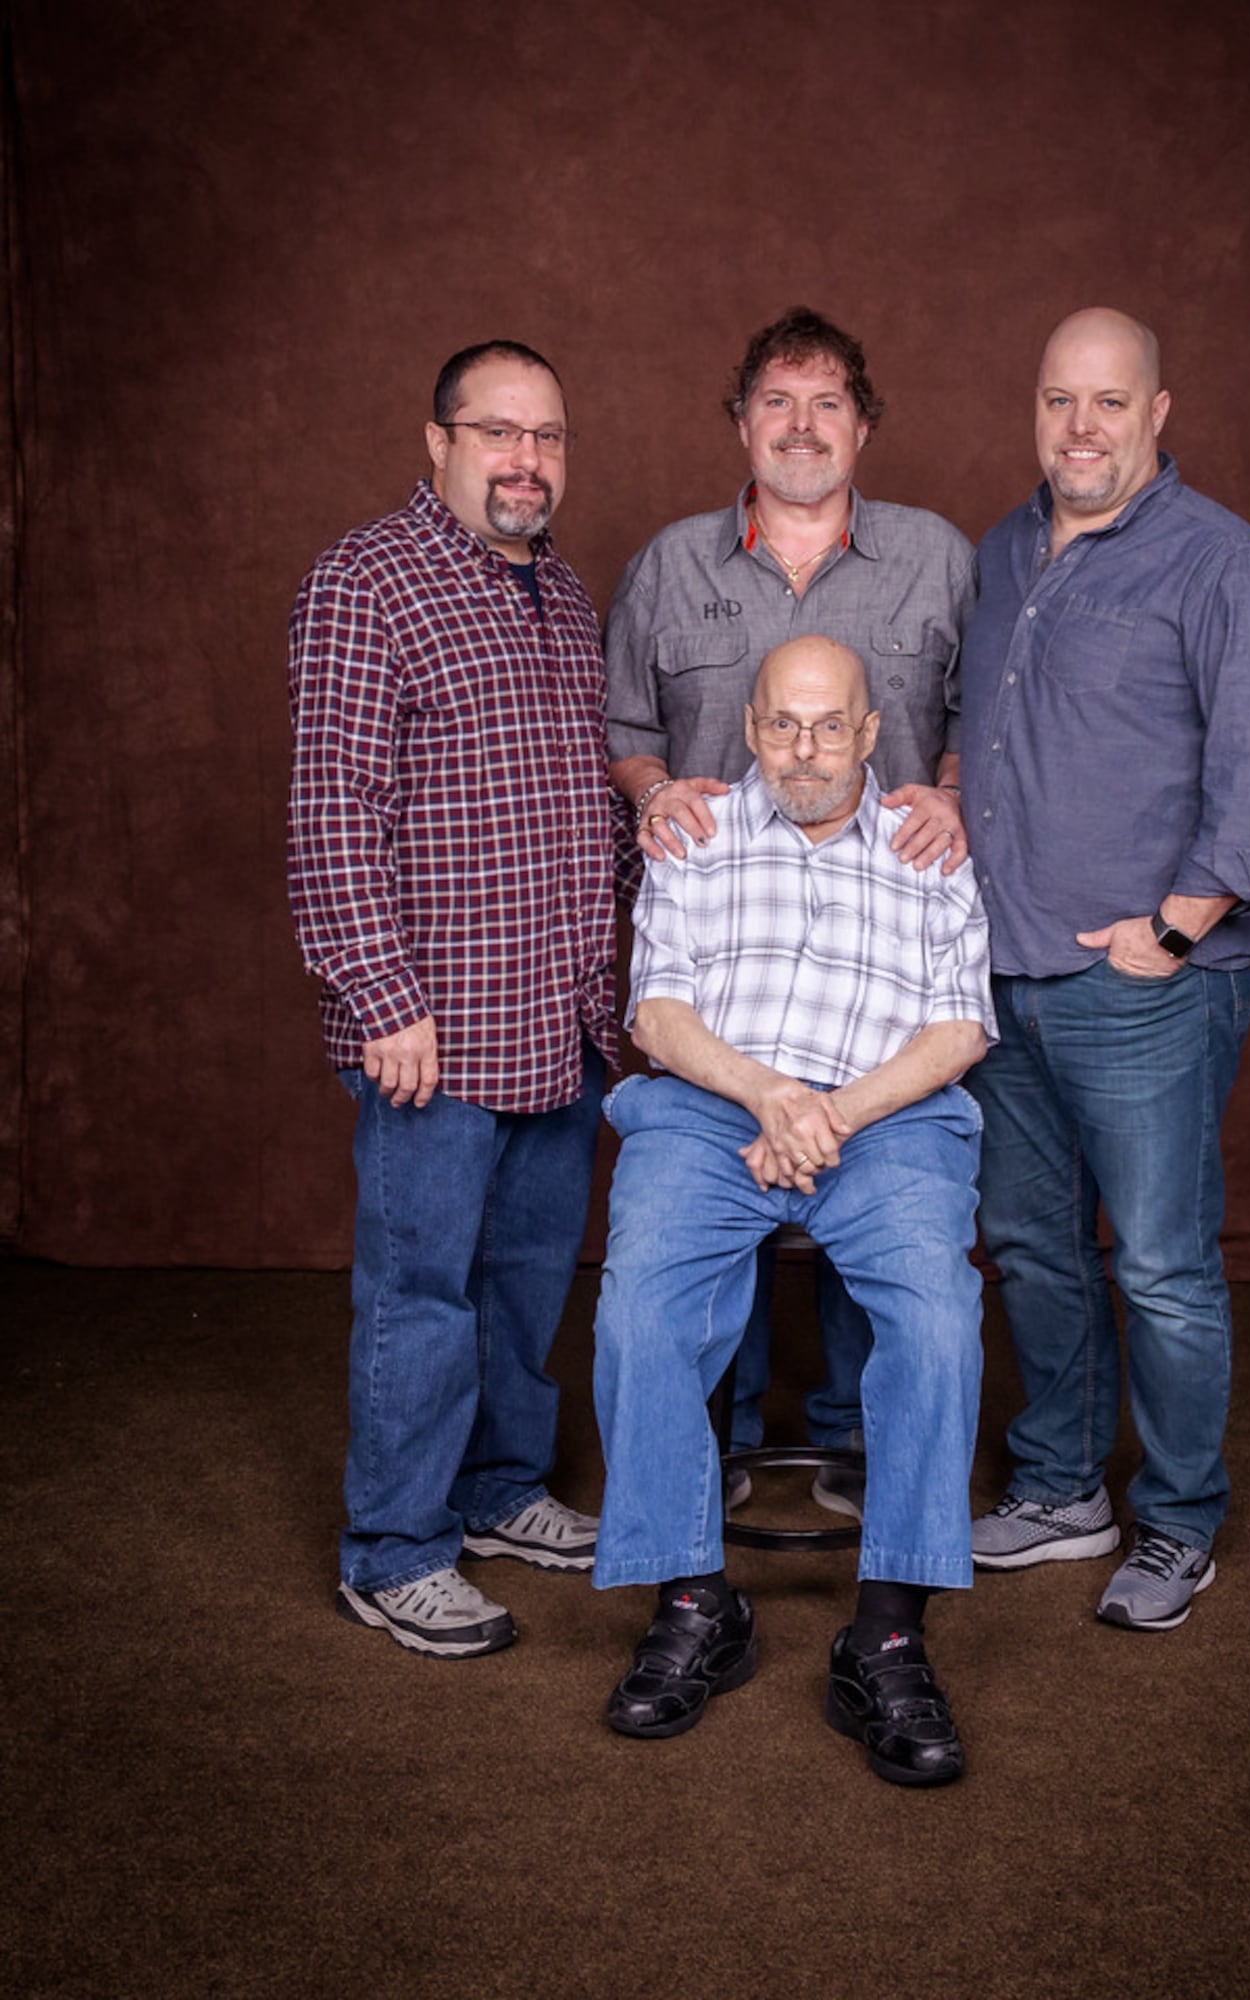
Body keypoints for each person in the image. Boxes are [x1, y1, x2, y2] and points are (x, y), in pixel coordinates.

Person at [961, 308, 1250, 1631]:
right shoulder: (1003, 550)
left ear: (1158, 412)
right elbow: (985, 738)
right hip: (1004, 980)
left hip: (1148, 983)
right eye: (1061, 400)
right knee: (1030, 1246)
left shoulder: (1221, 563)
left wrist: (1173, 928)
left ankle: (1177, 1522)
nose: (1083, 427)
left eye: (1111, 402)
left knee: (1161, 1263)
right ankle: (1061, 1488)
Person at [593, 636, 994, 1786]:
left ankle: (887, 1629)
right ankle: (692, 1599)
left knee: (935, 1320)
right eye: (780, 725)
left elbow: (960, 1029)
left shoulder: (930, 845)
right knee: (640, 1314)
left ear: (872, 731)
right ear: (749, 727)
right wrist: (768, 1093)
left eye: (830, 726)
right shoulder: (698, 832)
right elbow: (657, 1013)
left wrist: (829, 1111)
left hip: (889, 1117)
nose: (805, 751)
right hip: (715, 1107)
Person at [604, 307, 976, 1505]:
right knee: (702, 1204)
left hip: (889, 955)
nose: (801, 426)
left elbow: (980, 722)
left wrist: (953, 800)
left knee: (884, 1195)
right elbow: (623, 730)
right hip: (721, 947)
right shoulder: (671, 563)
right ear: (741, 422)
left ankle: (853, 1443)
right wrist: (658, 793)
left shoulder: (938, 557)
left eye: (826, 404)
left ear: (862, 425)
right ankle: (710, 1448)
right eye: (776, 400)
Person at [287, 340, 617, 1660]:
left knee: (526, 1281)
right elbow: (333, 814)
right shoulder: (365, 583)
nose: (525, 458)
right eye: (496, 432)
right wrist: (381, 997)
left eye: (546, 435)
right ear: (440, 443)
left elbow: (585, 814)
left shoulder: (568, 597)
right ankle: (395, 1547)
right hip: (432, 1029)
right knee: (422, 1292)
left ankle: (495, 1491)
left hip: (556, 1017)